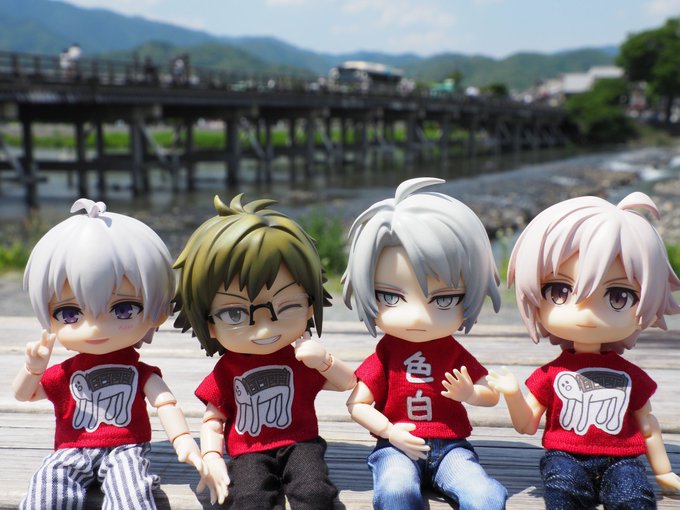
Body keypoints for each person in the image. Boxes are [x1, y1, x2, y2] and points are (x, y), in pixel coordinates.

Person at [487, 192, 680, 509]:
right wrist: (512, 394)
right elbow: (526, 425)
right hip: (565, 456)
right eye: (559, 291)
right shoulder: (550, 375)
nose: (587, 313)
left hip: (622, 459)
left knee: (634, 497)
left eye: (618, 296)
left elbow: (648, 424)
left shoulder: (630, 376)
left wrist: (663, 471)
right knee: (562, 492)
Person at [12, 198, 207, 509]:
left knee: (131, 491)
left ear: (158, 312)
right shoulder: (66, 372)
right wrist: (33, 369)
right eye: (69, 313)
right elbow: (26, 394)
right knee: (48, 485)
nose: (95, 328)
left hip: (126, 448)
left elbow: (165, 402)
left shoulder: (139, 372)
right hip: (71, 447)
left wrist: (183, 440)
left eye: (123, 309)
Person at [173, 194, 357, 509]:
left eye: (286, 306)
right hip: (248, 449)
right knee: (249, 498)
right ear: (208, 323)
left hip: (300, 442)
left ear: (309, 306)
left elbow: (348, 383)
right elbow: (213, 419)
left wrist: (324, 361)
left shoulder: (300, 357)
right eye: (234, 313)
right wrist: (212, 455)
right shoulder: (227, 371)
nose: (263, 328)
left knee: (315, 492)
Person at [343, 177, 507, 510]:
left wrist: (470, 394)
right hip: (397, 446)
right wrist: (388, 431)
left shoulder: (453, 352)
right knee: (395, 492)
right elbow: (356, 404)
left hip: (451, 447)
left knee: (485, 496)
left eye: (445, 299)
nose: (418, 316)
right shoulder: (386, 353)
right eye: (390, 296)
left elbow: (490, 393)